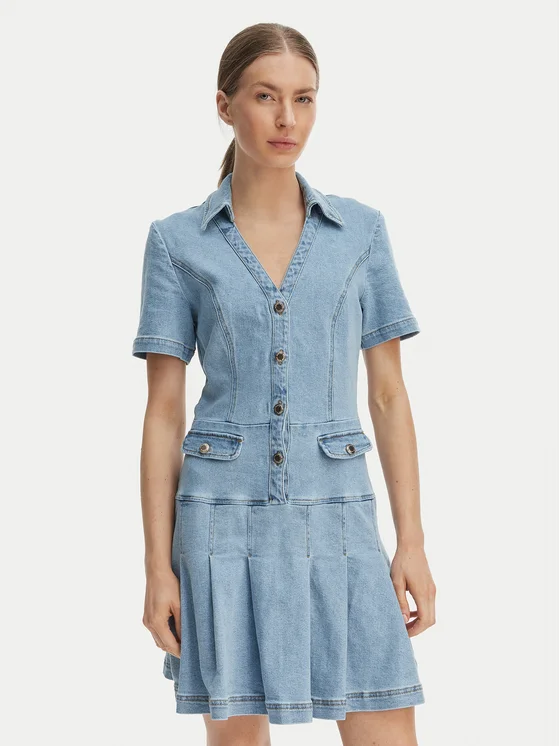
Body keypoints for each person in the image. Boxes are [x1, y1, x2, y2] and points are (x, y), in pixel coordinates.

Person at [132, 21, 436, 746]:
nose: (286, 119)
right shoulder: (176, 242)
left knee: (386, 726)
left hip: (340, 517)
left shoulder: (360, 233)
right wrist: (157, 567)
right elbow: (163, 415)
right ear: (225, 104)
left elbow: (388, 395)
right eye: (266, 96)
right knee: (237, 736)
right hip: (219, 524)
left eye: (304, 98)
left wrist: (413, 542)